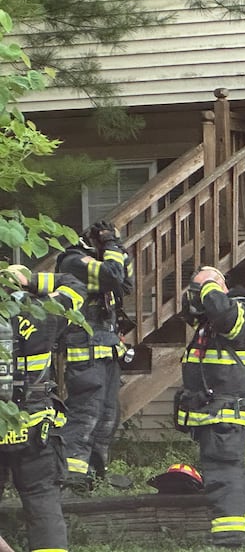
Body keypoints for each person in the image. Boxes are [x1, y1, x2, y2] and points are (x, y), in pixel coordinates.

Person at [0, 265, 87, 552]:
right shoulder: (45, 312)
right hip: (35, 428)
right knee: (43, 504)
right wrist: (35, 281)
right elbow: (76, 285)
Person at [176, 266, 245, 548]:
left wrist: (210, 283)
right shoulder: (209, 322)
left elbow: (224, 316)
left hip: (226, 411)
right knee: (232, 467)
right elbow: (191, 311)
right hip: (216, 411)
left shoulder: (240, 310)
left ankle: (229, 536)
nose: (198, 297)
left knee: (221, 471)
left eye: (203, 291)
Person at [55, 221, 133, 491]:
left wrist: (117, 247)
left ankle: (94, 476)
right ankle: (70, 477)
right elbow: (112, 275)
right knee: (85, 414)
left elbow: (126, 282)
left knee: (107, 417)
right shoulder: (73, 260)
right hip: (85, 351)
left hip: (108, 349)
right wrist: (111, 246)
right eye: (106, 243)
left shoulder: (104, 262)